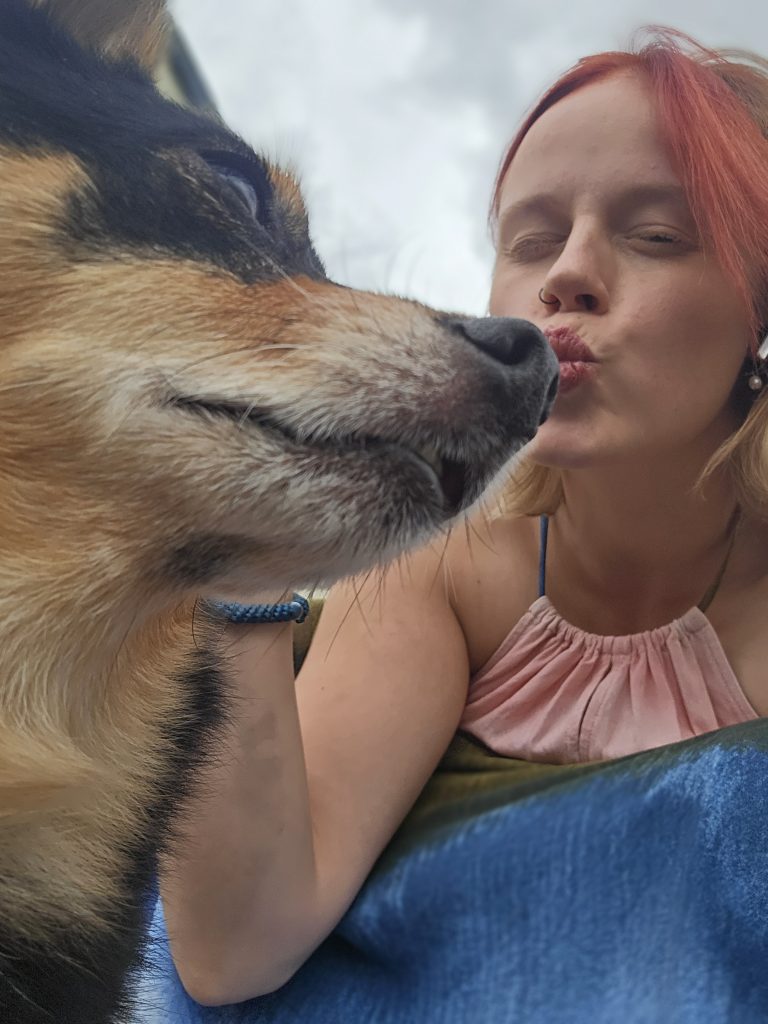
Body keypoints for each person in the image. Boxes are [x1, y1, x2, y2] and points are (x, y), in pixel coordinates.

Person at [160, 27, 768, 1007]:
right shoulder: (442, 566)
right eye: (531, 240)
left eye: (656, 234)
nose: (566, 274)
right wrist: (236, 543)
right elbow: (236, 944)